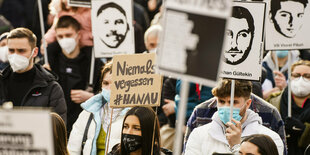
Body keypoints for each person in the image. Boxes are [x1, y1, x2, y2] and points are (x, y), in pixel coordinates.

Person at [184, 79, 284, 155]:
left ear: (248, 103)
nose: (227, 107)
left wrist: (236, 146)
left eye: (234, 102)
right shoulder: (199, 134)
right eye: (222, 101)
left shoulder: (270, 138)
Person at [46, 15, 103, 134]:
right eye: (60, 36)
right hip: (57, 124)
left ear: (79, 35)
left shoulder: (93, 63)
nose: (64, 39)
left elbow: (106, 92)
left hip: (83, 125)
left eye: (68, 35)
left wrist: (91, 97)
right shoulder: (50, 62)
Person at [0, 27, 67, 122]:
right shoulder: (2, 82)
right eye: (11, 50)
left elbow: (58, 130)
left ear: (34, 52)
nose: (15, 55)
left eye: (21, 51)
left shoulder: (51, 88)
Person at [68, 61, 130, 155]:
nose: (109, 88)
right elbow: (72, 149)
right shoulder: (88, 112)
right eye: (105, 83)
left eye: (115, 84)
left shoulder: (134, 114)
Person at [268, 60, 310, 155]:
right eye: (296, 75)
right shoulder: (273, 101)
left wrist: (305, 130)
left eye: (307, 76)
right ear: (290, 77)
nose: (301, 79)